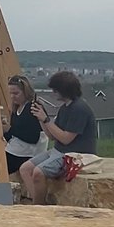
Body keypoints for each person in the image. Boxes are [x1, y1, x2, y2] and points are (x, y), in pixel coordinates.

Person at [19, 69, 97, 205]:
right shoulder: (64, 108)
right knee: (25, 169)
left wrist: (46, 120)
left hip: (73, 154)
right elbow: (52, 136)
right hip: (59, 150)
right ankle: (38, 202)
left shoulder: (79, 109)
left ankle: (39, 207)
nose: (53, 93)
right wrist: (41, 118)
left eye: (55, 90)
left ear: (64, 91)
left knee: (38, 172)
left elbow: (66, 139)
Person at [3, 75, 44, 173]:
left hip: (28, 153)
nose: (12, 96)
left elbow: (33, 137)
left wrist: (10, 129)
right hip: (17, 150)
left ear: (25, 92)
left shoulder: (32, 108)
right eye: (10, 93)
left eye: (16, 93)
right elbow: (13, 135)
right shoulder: (16, 108)